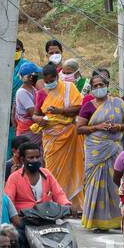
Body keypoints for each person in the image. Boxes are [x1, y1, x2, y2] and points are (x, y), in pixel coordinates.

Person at [75, 69, 124, 231]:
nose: (98, 87)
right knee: (95, 183)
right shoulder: (87, 106)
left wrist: (118, 127)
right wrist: (97, 127)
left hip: (114, 148)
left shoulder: (118, 103)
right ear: (92, 88)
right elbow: (79, 129)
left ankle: (116, 220)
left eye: (101, 85)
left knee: (116, 183)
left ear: (107, 86)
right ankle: (96, 221)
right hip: (95, 150)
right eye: (95, 85)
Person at [37, 62, 85, 215]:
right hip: (50, 137)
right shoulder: (42, 93)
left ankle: (72, 206)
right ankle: (53, 205)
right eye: (47, 81)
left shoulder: (69, 88)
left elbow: (79, 107)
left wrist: (60, 110)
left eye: (52, 80)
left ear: (57, 77)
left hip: (68, 135)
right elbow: (35, 114)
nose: (50, 83)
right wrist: (39, 120)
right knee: (51, 171)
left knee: (70, 169)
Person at [5, 141, 68, 215]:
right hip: (24, 217)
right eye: (31, 158)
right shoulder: (14, 177)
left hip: (46, 216)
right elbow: (9, 200)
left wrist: (66, 206)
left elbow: (59, 194)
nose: (35, 160)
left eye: (37, 157)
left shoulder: (46, 173)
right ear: (22, 159)